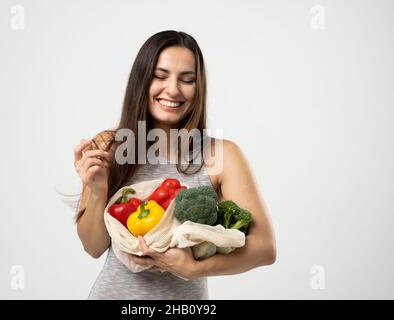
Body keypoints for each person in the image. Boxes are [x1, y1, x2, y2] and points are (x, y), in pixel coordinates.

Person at [73, 30, 276, 300]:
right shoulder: (110, 146)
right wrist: (97, 191)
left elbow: (264, 248)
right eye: (160, 76)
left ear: (198, 87)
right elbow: (93, 247)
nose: (173, 89)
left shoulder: (222, 155)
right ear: (141, 81)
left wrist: (194, 268)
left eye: (187, 80)